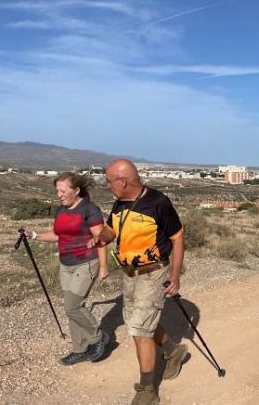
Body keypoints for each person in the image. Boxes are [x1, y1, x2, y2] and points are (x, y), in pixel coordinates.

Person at [95, 159, 188, 405]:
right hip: (129, 273)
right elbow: (112, 231)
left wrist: (175, 276)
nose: (106, 185)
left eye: (109, 180)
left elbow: (177, 239)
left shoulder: (158, 203)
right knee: (139, 322)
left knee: (139, 329)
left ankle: (147, 389)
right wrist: (98, 236)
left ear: (123, 181)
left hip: (153, 273)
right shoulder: (120, 203)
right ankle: (172, 350)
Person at [23, 172, 110, 365]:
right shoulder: (60, 210)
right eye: (57, 191)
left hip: (86, 262)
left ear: (76, 190)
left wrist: (104, 266)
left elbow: (101, 239)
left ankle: (98, 337)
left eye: (63, 191)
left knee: (72, 306)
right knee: (72, 309)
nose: (59, 195)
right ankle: (79, 349)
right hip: (66, 264)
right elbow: (56, 235)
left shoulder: (89, 209)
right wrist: (34, 234)